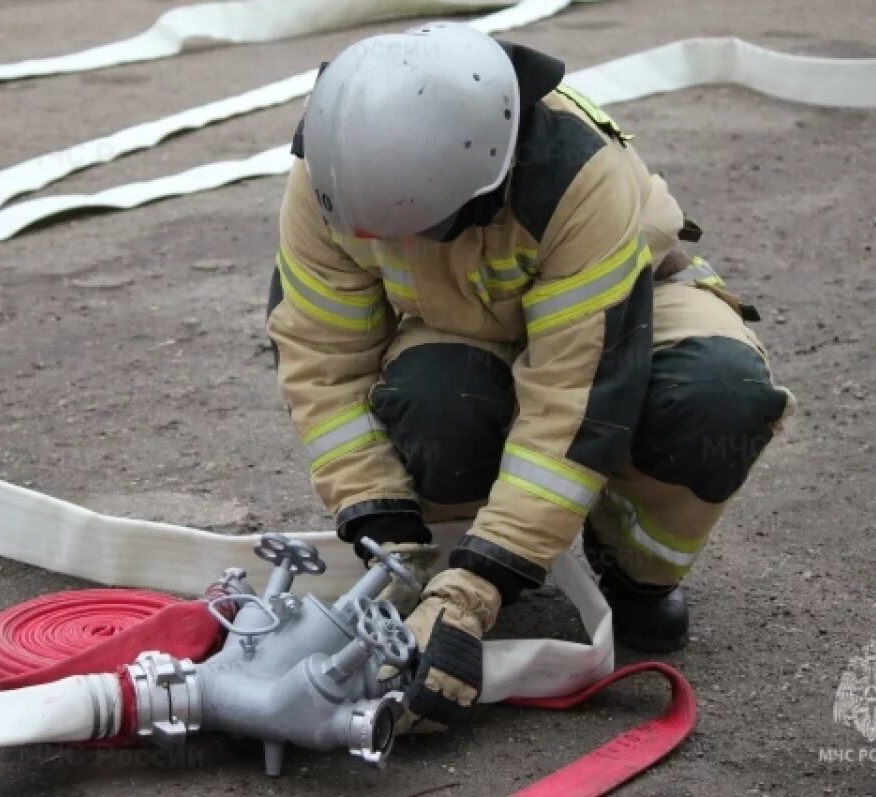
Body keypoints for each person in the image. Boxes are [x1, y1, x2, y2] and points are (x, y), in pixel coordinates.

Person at [265, 22, 795, 730]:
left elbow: (576, 398)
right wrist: (384, 529)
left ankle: (634, 570)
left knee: (716, 396)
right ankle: (450, 561)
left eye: (414, 226)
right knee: (436, 399)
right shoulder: (333, 172)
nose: (388, 246)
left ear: (488, 182)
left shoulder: (577, 179)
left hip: (623, 306)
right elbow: (325, 365)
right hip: (462, 320)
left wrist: (480, 587)